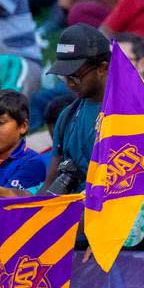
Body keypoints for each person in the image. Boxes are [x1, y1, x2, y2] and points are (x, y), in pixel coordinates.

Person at [42, 25, 112, 190]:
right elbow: (50, 185)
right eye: (63, 76)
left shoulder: (130, 114)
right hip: (74, 212)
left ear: (103, 68)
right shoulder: (67, 116)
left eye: (74, 75)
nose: (69, 82)